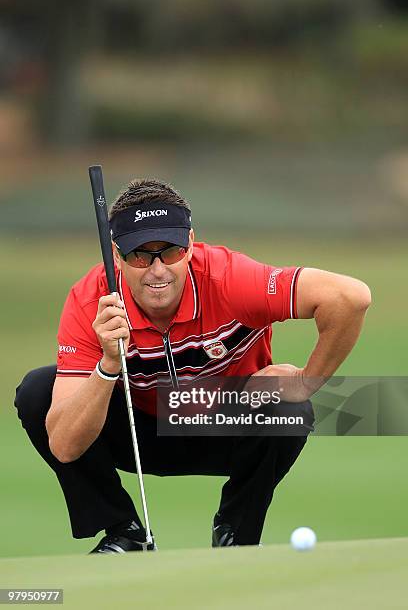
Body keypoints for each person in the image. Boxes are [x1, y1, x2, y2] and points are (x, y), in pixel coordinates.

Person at [14, 178, 371, 554]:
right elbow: (66, 447)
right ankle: (124, 532)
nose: (157, 270)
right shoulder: (91, 302)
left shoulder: (229, 278)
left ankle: (236, 535)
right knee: (39, 391)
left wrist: (304, 382)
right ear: (116, 254)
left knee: (288, 404)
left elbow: (350, 297)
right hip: (136, 434)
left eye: (170, 251)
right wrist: (108, 363)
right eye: (140, 254)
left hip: (222, 427)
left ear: (190, 243)